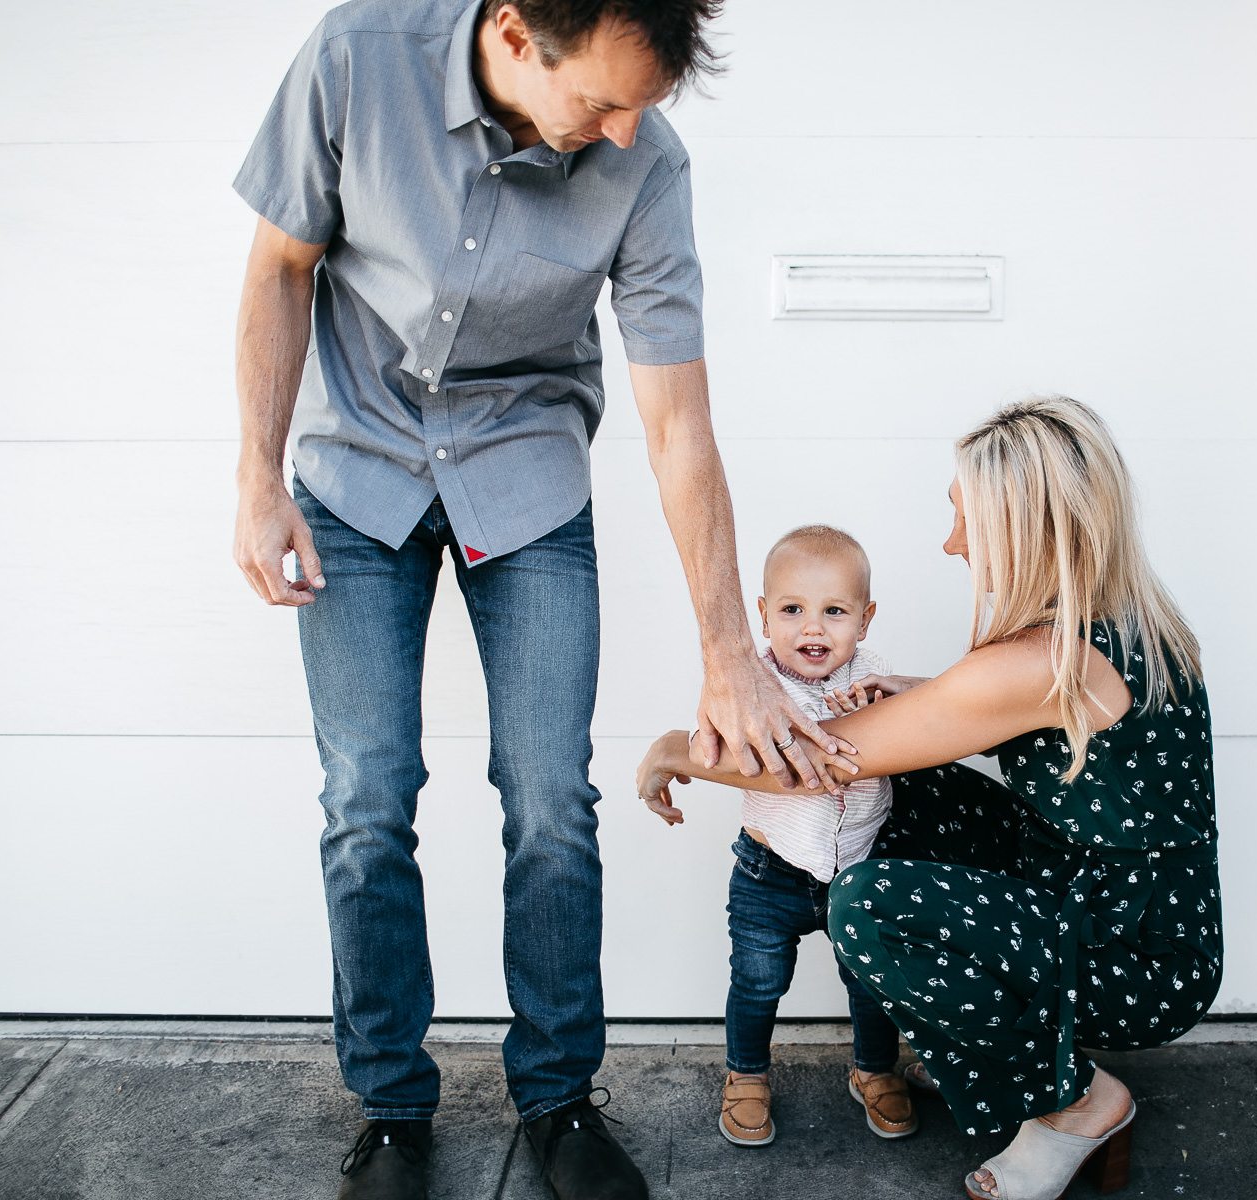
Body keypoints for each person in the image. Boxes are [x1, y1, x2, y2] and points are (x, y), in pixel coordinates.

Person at [228, 3, 849, 1197]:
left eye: (644, 107)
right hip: (354, 473)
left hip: (526, 481)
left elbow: (677, 425)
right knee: (366, 796)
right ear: (516, 33)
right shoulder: (358, 59)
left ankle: (559, 1098)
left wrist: (733, 650)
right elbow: (278, 266)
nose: (625, 136)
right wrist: (258, 482)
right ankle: (394, 1109)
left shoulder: (646, 161)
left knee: (553, 799)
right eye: (604, 103)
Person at [636, 396, 1224, 1200]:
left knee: (866, 903)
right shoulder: (1123, 623)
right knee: (905, 789)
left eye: (966, 522)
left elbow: (820, 764)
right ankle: (991, 1043)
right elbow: (1027, 724)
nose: (951, 545)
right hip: (1135, 911)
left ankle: (1080, 1103)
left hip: (1131, 958)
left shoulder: (1038, 659)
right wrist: (923, 694)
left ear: (1027, 527)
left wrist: (679, 749)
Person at [643, 525, 918, 1147]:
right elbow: (723, 753)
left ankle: (874, 1069)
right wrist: (676, 751)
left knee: (871, 980)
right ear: (763, 617)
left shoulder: (877, 677)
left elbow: (905, 735)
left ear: (865, 620)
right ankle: (746, 1075)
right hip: (770, 873)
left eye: (835, 611)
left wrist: (885, 703)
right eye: (792, 610)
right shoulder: (746, 686)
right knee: (758, 980)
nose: (812, 629)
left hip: (862, 867)